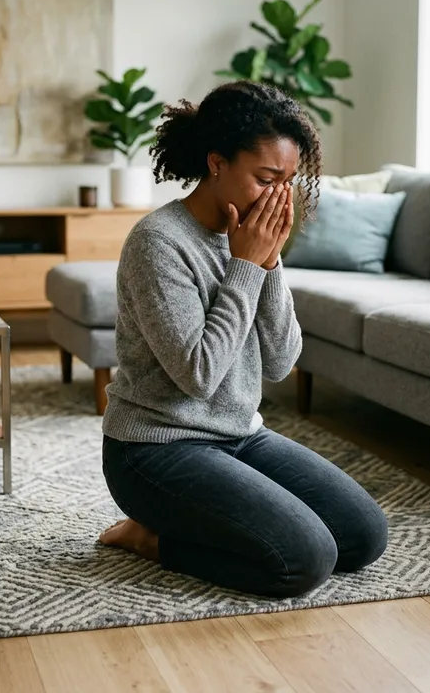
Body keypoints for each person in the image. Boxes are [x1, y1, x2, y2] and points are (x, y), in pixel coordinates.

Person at [98, 80, 387, 598]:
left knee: (364, 536)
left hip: (239, 435)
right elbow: (199, 377)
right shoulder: (158, 243)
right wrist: (246, 266)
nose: (280, 195)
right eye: (265, 178)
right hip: (154, 450)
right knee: (306, 560)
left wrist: (268, 262)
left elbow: (281, 362)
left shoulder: (256, 240)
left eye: (289, 180)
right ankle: (152, 540)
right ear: (216, 163)